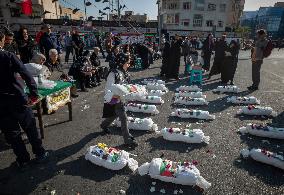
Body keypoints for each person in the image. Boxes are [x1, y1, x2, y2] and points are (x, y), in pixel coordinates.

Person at [0, 30, 49, 171]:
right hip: (17, 98)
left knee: (12, 133)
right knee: (30, 128)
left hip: (2, 104)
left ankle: (23, 159)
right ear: (2, 40)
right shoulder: (8, 56)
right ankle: (39, 153)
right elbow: (26, 74)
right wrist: (33, 94)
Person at [100, 53, 138, 147]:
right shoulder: (113, 73)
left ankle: (104, 125)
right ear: (122, 62)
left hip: (121, 99)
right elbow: (108, 89)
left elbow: (127, 87)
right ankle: (128, 140)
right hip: (114, 99)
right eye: (127, 62)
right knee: (123, 118)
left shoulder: (125, 72)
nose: (129, 64)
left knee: (114, 115)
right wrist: (116, 96)